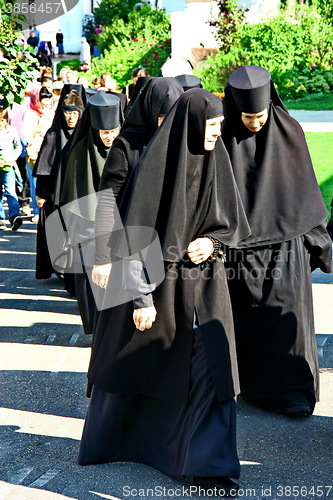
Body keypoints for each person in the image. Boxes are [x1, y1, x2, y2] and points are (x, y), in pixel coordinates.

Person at [78, 88, 251, 497]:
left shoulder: (216, 160)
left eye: (219, 126)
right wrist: (139, 296)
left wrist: (214, 243)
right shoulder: (149, 164)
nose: (216, 133)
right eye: (211, 126)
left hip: (205, 287)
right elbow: (129, 227)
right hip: (157, 284)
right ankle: (138, 445)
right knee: (145, 365)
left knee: (212, 368)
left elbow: (232, 223)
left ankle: (208, 463)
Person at [222, 65, 333, 416]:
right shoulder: (224, 139)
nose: (255, 123)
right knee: (247, 320)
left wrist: (320, 244)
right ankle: (253, 388)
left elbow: (305, 192)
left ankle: (295, 393)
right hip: (239, 250)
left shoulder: (290, 132)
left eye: (260, 115)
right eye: (248, 116)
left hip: (287, 252)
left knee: (290, 319)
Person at [92, 76, 184, 289]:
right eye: (164, 117)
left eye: (176, 116)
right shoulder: (127, 146)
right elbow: (107, 201)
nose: (171, 123)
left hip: (174, 251)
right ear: (152, 112)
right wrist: (103, 257)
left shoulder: (184, 142)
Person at [58, 93, 124, 334]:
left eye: (114, 130)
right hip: (87, 229)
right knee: (91, 279)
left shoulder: (126, 148)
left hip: (120, 226)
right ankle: (96, 329)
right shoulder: (79, 153)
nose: (110, 136)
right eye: (104, 132)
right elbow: (74, 198)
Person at [33, 90, 85, 280]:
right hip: (56, 192)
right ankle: (59, 267)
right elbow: (44, 168)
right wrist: (41, 193)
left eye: (75, 113)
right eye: (67, 112)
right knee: (57, 231)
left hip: (78, 193)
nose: (71, 118)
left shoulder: (85, 135)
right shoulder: (53, 134)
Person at [23, 86, 54, 222]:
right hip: (34, 151)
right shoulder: (30, 114)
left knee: (48, 180)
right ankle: (36, 212)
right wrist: (38, 129)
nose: (45, 102)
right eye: (43, 99)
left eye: (47, 99)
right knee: (35, 181)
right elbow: (26, 134)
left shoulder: (50, 113)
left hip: (49, 151)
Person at [0, 107, 23, 230]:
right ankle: (0, 219)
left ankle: (15, 216)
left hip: (9, 166)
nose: (1, 123)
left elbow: (18, 147)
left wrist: (13, 158)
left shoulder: (12, 131)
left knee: (10, 191)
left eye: (3, 120)